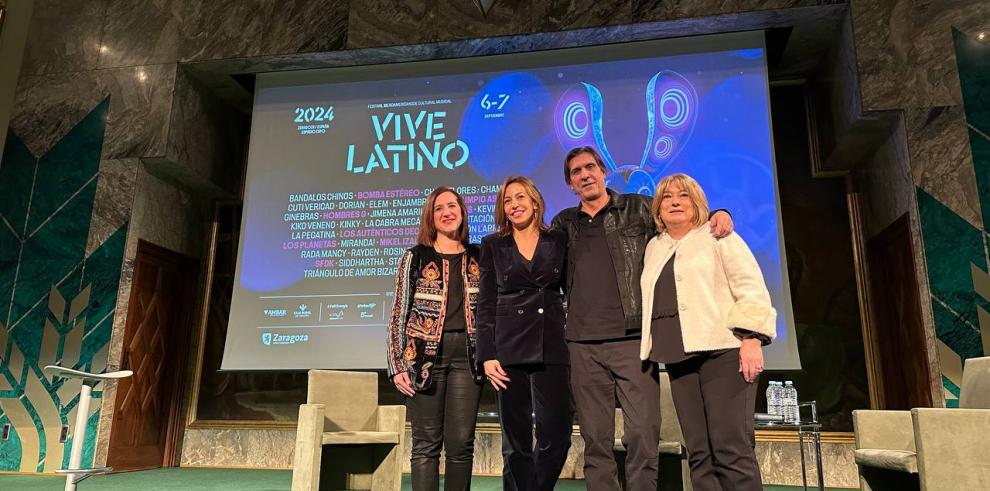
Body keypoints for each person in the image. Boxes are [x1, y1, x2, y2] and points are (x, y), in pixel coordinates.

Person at [550, 146, 733, 491]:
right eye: (576, 172)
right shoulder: (564, 223)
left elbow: (680, 225)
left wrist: (718, 213)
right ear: (571, 184)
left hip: (634, 338)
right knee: (596, 438)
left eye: (590, 167)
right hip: (581, 343)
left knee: (643, 432)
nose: (585, 174)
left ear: (604, 172)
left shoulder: (637, 208)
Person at [639, 173, 775, 491]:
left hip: (724, 352)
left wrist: (752, 339)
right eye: (667, 197)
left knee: (731, 448)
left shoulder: (718, 235)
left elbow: (750, 287)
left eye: (683, 196)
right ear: (657, 209)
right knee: (699, 453)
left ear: (697, 204)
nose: (674, 201)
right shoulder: (653, 248)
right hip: (677, 357)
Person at [476, 176, 572, 491]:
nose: (514, 205)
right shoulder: (492, 244)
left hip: (552, 342)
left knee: (556, 433)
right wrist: (487, 355)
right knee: (515, 439)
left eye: (520, 197)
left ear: (534, 201)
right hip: (508, 346)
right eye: (507, 200)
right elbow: (486, 302)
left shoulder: (558, 239)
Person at [386, 186, 483, 491]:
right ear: (431, 217)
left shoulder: (480, 255)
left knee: (461, 444)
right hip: (422, 358)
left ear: (463, 212)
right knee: (426, 445)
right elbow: (399, 311)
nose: (447, 212)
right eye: (439, 208)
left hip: (468, 359)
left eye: (452, 205)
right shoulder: (415, 257)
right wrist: (396, 363)